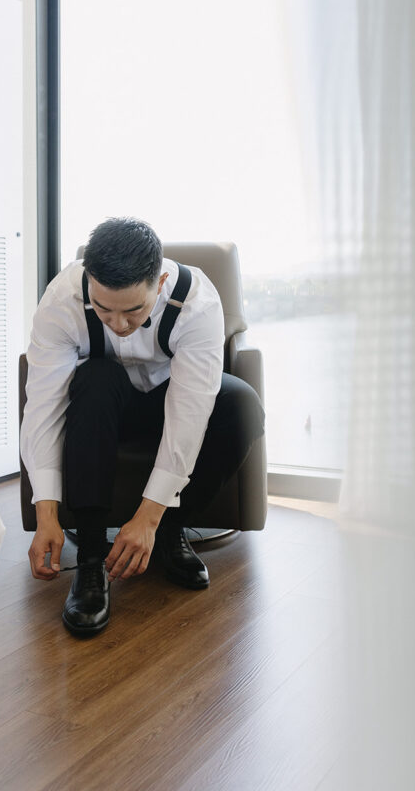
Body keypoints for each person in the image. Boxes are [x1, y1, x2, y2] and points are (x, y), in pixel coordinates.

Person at [20, 217, 265, 637]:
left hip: (170, 407)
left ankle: (170, 532)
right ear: (88, 284)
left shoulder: (198, 302)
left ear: (161, 280)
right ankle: (93, 561)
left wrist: (149, 518)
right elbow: (43, 406)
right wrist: (46, 513)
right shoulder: (61, 300)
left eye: (133, 310)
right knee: (95, 379)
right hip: (101, 412)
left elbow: (190, 412)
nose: (118, 324)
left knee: (240, 404)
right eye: (103, 309)